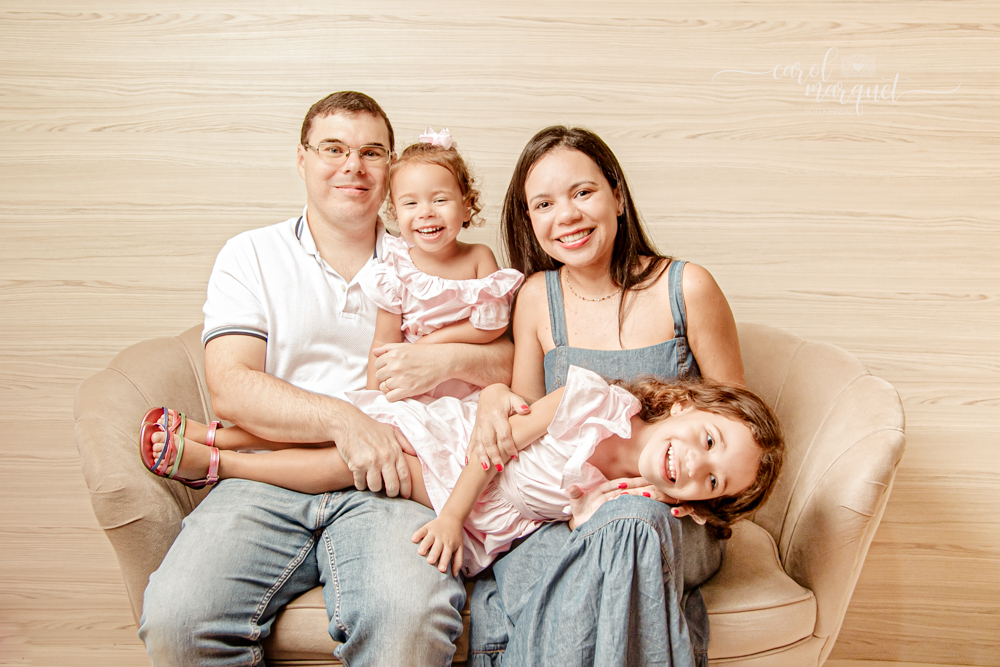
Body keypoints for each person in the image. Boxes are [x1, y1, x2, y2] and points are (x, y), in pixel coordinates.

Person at [137, 91, 514, 666]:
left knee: (409, 621)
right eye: (332, 149)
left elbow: (512, 361)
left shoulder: (427, 252)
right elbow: (231, 387)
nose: (351, 166)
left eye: (371, 152)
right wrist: (346, 420)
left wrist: (444, 361)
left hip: (394, 480)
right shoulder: (251, 255)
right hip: (268, 479)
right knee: (178, 618)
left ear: (392, 169)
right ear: (302, 158)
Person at [451, 125, 747, 666]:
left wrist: (668, 495)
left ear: (616, 194)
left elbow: (740, 428)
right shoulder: (538, 298)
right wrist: (494, 397)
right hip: (568, 516)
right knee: (592, 538)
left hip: (670, 520)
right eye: (543, 203)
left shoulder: (687, 288)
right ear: (530, 220)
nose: (565, 215)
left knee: (630, 523)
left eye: (582, 192)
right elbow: (528, 429)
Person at [139, 366, 783, 582]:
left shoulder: (638, 497)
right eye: (706, 440)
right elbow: (497, 446)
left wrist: (686, 507)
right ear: (685, 404)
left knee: (351, 468)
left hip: (485, 515)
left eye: (711, 480)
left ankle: (222, 466)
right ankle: (216, 438)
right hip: (469, 464)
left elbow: (599, 525)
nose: (693, 464)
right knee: (364, 432)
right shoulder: (593, 401)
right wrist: (448, 514)